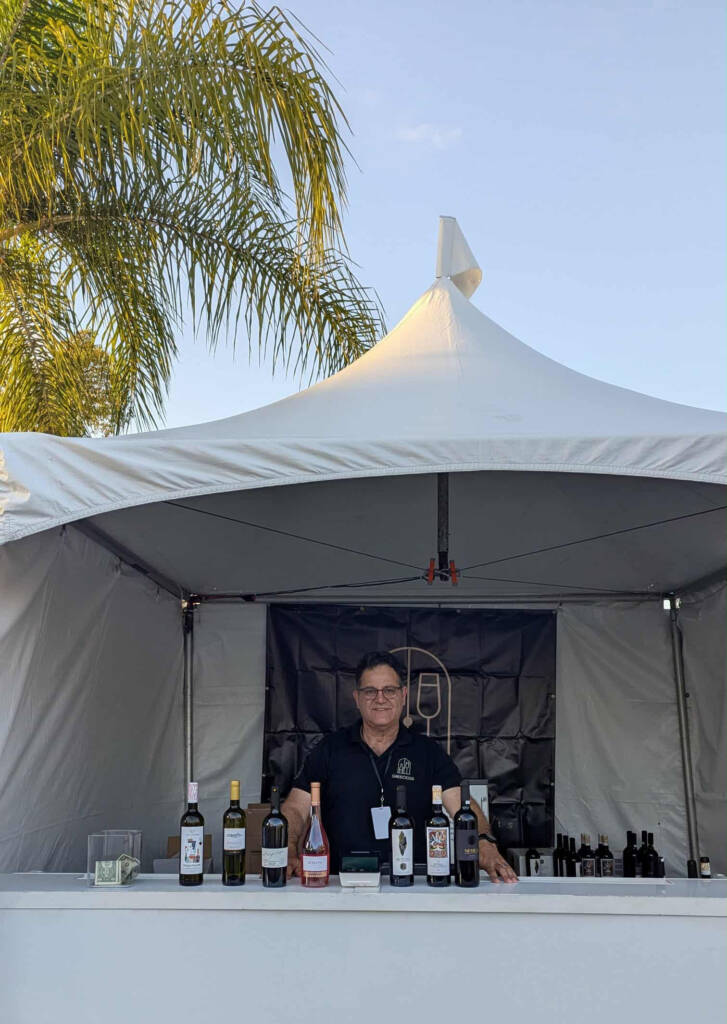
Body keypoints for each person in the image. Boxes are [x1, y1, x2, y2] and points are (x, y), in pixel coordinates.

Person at [281, 650, 518, 882]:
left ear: (403, 695)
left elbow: (461, 806)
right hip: (343, 883)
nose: (380, 698)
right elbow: (295, 808)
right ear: (357, 698)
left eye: (389, 690)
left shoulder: (427, 752)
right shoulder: (330, 749)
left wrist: (484, 842)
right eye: (370, 691)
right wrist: (288, 848)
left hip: (413, 884)